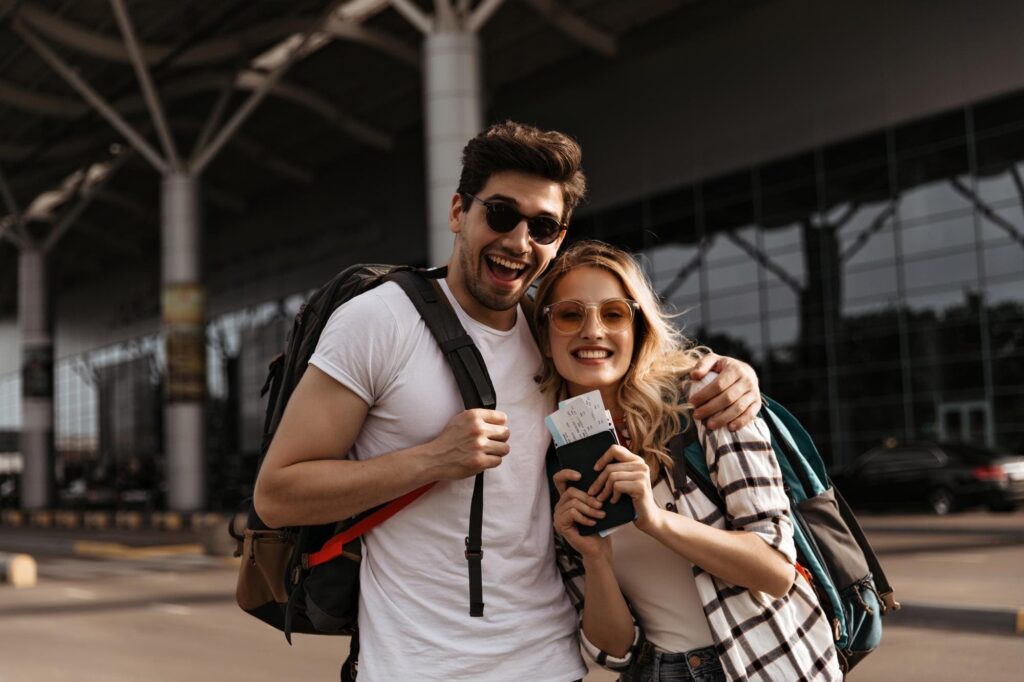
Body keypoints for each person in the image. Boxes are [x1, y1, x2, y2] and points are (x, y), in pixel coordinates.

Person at [253, 122, 763, 681]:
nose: (520, 241)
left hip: (548, 662)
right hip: (415, 665)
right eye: (501, 214)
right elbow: (278, 495)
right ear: (458, 213)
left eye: (544, 226)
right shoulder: (378, 321)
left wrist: (729, 372)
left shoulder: (552, 333)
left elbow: (639, 366)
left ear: (559, 239)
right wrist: (433, 459)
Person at [537, 240, 842, 682]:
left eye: (614, 313)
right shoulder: (549, 455)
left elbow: (776, 570)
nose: (593, 330)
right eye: (570, 314)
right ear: (546, 336)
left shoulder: (705, 402)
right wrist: (595, 558)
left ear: (638, 327)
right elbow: (615, 651)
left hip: (762, 666)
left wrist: (655, 520)